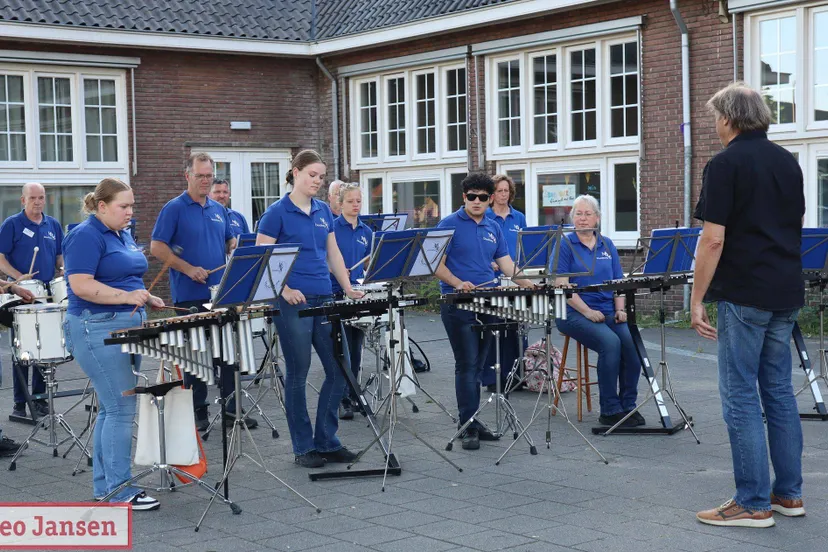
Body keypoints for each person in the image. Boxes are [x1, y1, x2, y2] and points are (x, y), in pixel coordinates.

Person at [692, 83, 805, 528]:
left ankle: (752, 502)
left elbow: (712, 239)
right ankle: (788, 495)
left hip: (745, 293)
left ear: (728, 118)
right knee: (778, 391)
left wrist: (697, 298)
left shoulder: (725, 164)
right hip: (786, 291)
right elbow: (793, 225)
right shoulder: (788, 162)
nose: (715, 126)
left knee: (739, 393)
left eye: (716, 118)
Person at [256, 150, 364, 468]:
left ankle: (327, 441)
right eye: (312, 175)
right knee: (298, 373)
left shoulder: (323, 210)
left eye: (321, 176)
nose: (317, 181)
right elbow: (263, 259)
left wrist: (347, 287)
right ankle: (303, 448)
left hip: (325, 298)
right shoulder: (276, 213)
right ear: (296, 172)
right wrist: (285, 289)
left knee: (339, 369)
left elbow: (333, 253)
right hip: (292, 303)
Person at [63, 178, 165, 510]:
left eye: (132, 206)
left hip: (126, 326)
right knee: (121, 408)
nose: (130, 212)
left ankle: (105, 488)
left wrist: (145, 295)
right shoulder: (85, 235)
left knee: (111, 408)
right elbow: (82, 286)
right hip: (96, 327)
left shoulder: (121, 233)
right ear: (102, 206)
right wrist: (125, 296)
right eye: (124, 206)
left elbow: (125, 277)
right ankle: (120, 491)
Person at [150, 152, 257, 431]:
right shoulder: (174, 208)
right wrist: (187, 268)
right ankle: (198, 412)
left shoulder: (219, 210)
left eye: (209, 176)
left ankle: (232, 410)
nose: (206, 181)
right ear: (188, 175)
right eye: (200, 176)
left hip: (220, 293)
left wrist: (233, 245)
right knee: (195, 357)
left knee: (228, 355)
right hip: (188, 294)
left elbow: (228, 240)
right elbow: (157, 247)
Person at [436, 173, 533, 451]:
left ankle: (472, 420)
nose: (476, 201)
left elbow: (507, 264)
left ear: (490, 199)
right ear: (463, 197)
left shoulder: (494, 226)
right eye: (471, 196)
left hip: (489, 301)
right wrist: (458, 283)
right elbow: (436, 264)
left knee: (479, 365)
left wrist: (531, 285)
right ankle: (466, 426)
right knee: (466, 364)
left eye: (482, 197)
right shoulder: (448, 224)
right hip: (458, 302)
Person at [553, 194, 644, 428]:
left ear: (597, 218)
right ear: (572, 217)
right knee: (610, 344)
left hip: (607, 311)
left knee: (632, 348)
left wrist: (620, 309)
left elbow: (618, 282)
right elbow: (562, 286)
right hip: (572, 312)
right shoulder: (564, 244)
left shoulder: (607, 244)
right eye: (578, 214)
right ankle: (610, 410)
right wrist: (586, 311)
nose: (583, 218)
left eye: (587, 214)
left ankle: (628, 406)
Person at [0, 182, 64, 419]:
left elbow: (59, 255)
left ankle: (39, 399)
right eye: (33, 198)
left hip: (45, 293)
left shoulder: (53, 225)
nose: (38, 202)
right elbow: (0, 257)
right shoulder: (12, 224)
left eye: (41, 197)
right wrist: (18, 277)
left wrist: (63, 268)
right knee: (22, 349)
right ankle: (20, 403)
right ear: (23, 200)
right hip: (20, 294)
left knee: (43, 347)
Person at [330, 183, 373, 420]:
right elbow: (324, 258)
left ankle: (354, 393)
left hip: (358, 294)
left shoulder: (366, 231)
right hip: (337, 293)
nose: (355, 205)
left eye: (358, 201)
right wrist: (338, 270)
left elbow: (367, 263)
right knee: (342, 349)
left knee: (356, 348)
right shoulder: (333, 229)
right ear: (340, 203)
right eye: (350, 201)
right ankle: (342, 398)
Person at [483, 174, 528, 391]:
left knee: (517, 327)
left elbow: (525, 247)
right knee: (495, 328)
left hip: (515, 278)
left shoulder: (518, 217)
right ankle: (494, 378)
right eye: (499, 191)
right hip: (493, 280)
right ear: (492, 195)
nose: (503, 195)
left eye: (506, 191)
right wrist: (489, 261)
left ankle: (517, 375)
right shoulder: (485, 216)